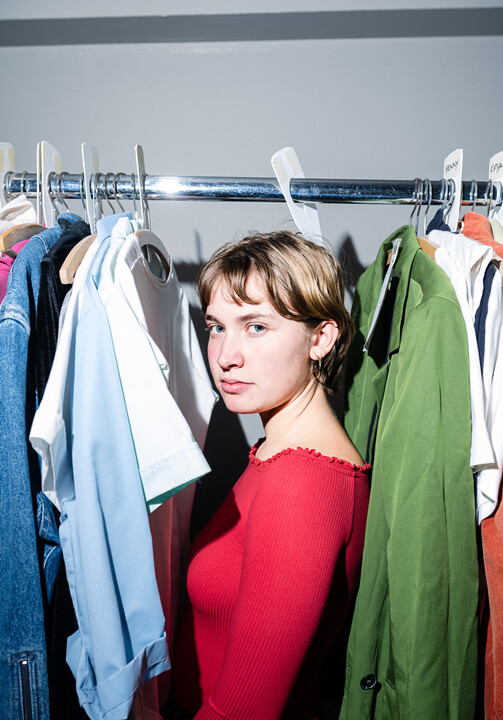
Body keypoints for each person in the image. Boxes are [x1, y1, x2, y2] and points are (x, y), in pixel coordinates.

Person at [170, 231, 371, 720]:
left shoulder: (303, 482)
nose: (226, 356)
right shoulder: (276, 451)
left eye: (256, 326)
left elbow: (244, 711)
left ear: (320, 339)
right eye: (217, 327)